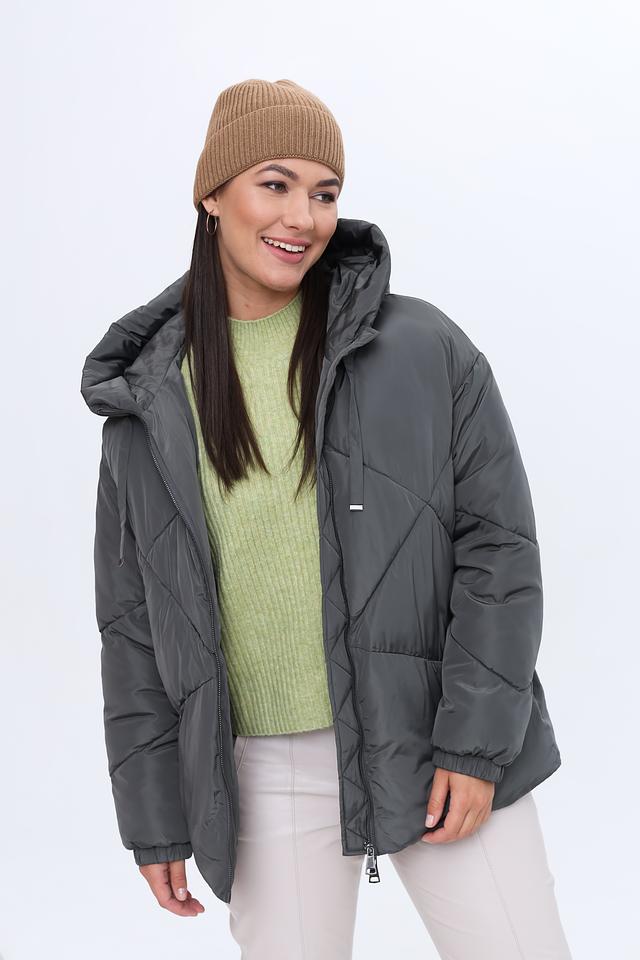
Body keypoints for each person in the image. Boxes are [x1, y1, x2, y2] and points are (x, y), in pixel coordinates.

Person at [81, 78, 573, 959]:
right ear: (212, 194)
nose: (301, 217)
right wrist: (153, 816)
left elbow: (499, 551)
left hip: (436, 742)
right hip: (262, 775)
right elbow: (132, 626)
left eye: (324, 192)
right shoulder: (149, 401)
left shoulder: (422, 350)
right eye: (274, 184)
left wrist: (474, 747)